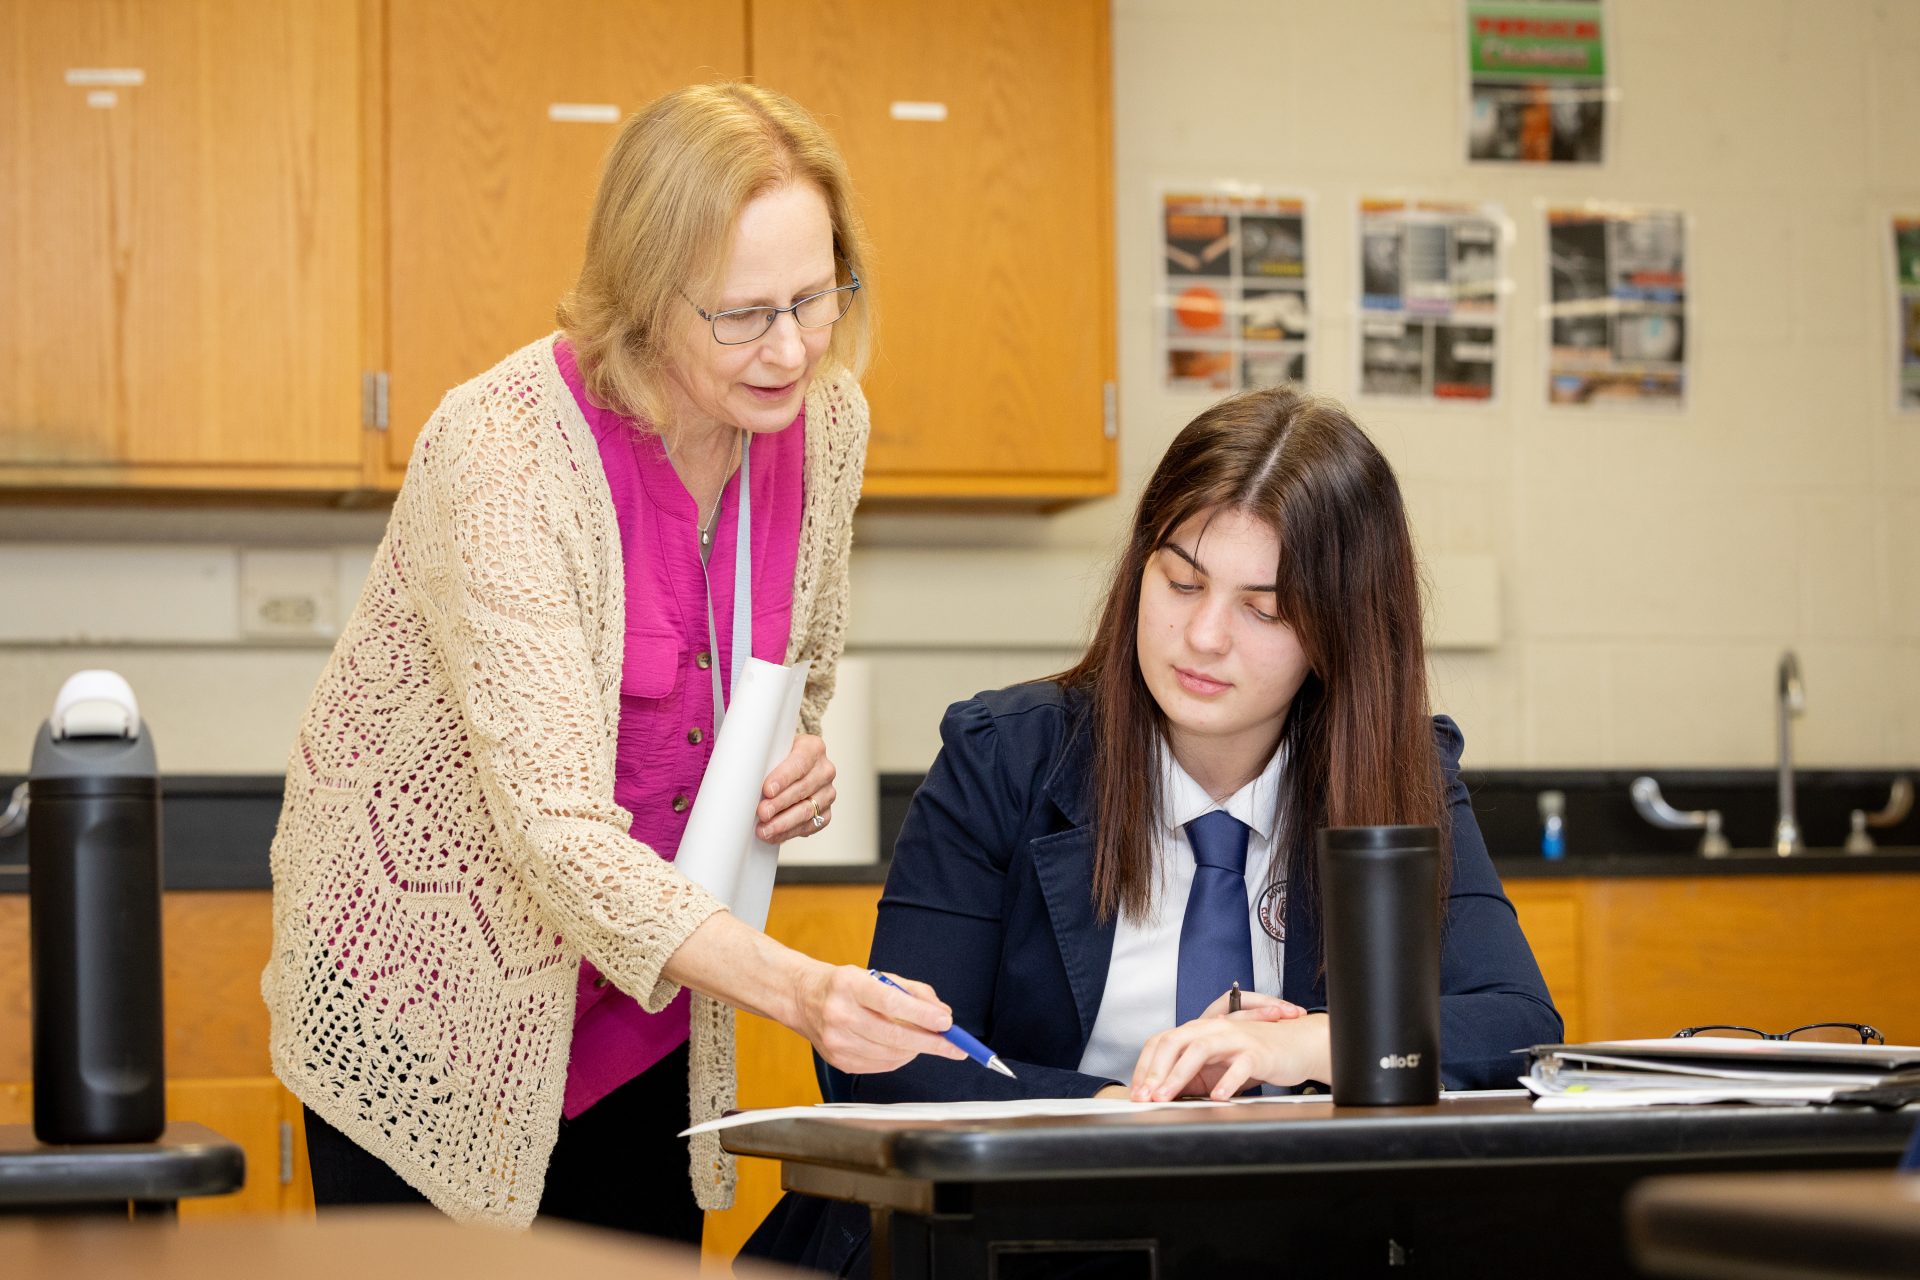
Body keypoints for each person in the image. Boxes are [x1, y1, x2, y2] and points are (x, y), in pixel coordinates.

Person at [261, 82, 967, 1241]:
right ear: (643, 296)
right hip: (432, 1004)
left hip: (643, 1003)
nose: (790, 349)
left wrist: (798, 757)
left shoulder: (826, 426)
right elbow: (556, 829)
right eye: (743, 313)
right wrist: (802, 989)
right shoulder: (501, 450)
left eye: (815, 296)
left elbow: (797, 671)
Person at [747, 384, 1562, 1275]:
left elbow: (1515, 1027)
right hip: (1014, 1236)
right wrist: (1141, 1108)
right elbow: (890, 1060)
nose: (1203, 636)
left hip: (1289, 1244)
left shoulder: (1403, 775)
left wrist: (1289, 1044)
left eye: (1266, 607)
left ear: (1343, 629)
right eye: (1180, 581)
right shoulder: (1002, 759)